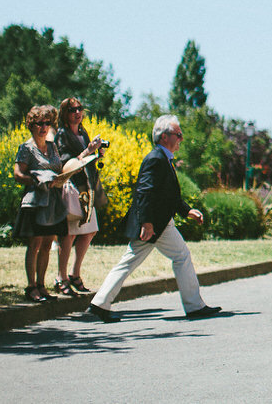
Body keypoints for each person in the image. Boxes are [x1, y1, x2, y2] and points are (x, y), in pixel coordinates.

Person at [87, 115, 221, 322]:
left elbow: (169, 196)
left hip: (160, 223)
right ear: (165, 137)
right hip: (154, 224)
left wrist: (187, 211)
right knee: (171, 257)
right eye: (179, 135)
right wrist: (147, 223)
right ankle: (194, 306)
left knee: (168, 257)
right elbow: (144, 192)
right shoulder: (156, 159)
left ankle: (99, 304)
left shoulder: (163, 158)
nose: (181, 139)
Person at [12, 104, 78, 302]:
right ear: (31, 125)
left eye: (47, 123)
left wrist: (60, 177)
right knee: (35, 243)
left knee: (48, 242)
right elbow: (18, 174)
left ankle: (42, 285)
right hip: (35, 201)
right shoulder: (27, 148)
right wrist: (35, 180)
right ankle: (31, 286)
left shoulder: (52, 147)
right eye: (39, 123)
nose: (43, 127)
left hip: (53, 201)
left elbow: (57, 167)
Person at [54, 97, 104, 296]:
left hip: (87, 186)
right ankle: (61, 276)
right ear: (64, 113)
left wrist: (96, 154)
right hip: (71, 187)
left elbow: (86, 158)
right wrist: (88, 151)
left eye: (79, 109)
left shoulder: (83, 132)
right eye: (72, 109)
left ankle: (75, 273)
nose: (77, 112)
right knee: (69, 234)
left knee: (89, 231)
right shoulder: (62, 135)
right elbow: (65, 162)